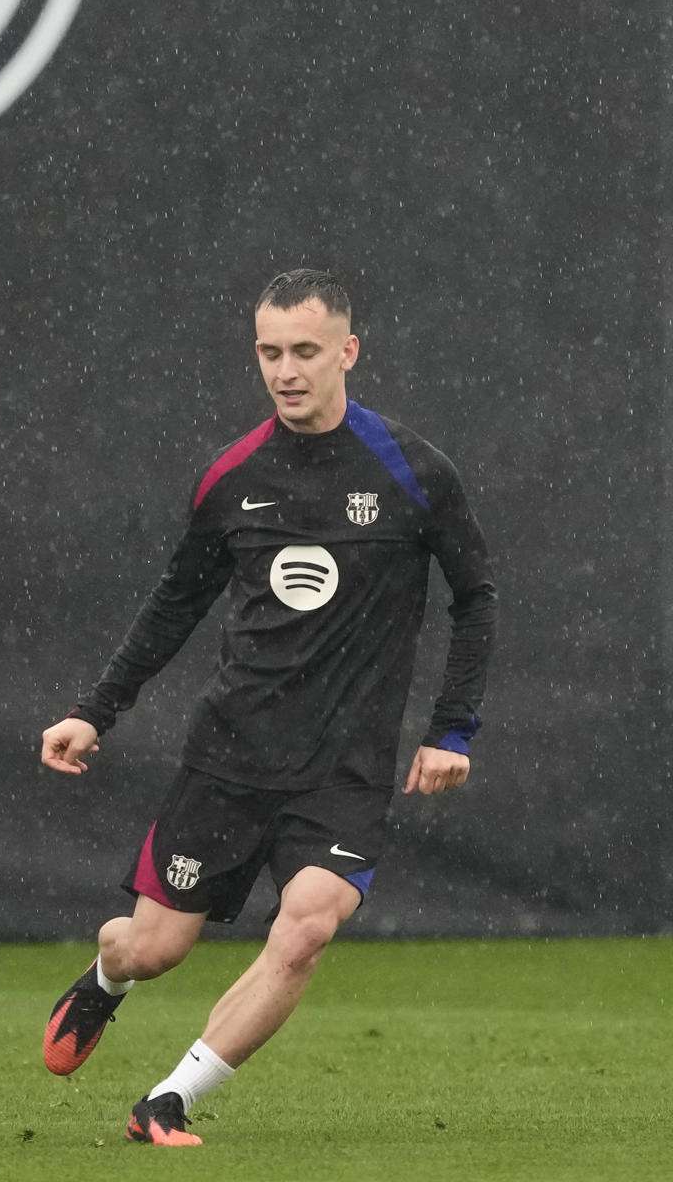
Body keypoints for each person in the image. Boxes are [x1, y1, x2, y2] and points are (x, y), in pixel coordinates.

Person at [37, 269, 496, 1146]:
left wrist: (452, 727)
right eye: (269, 352)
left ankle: (166, 1101)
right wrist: (96, 709)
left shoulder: (413, 471)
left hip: (344, 771)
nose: (286, 370)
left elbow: (476, 596)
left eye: (306, 352)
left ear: (348, 352)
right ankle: (107, 978)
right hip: (230, 759)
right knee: (155, 948)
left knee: (307, 928)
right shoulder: (231, 478)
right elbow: (174, 605)